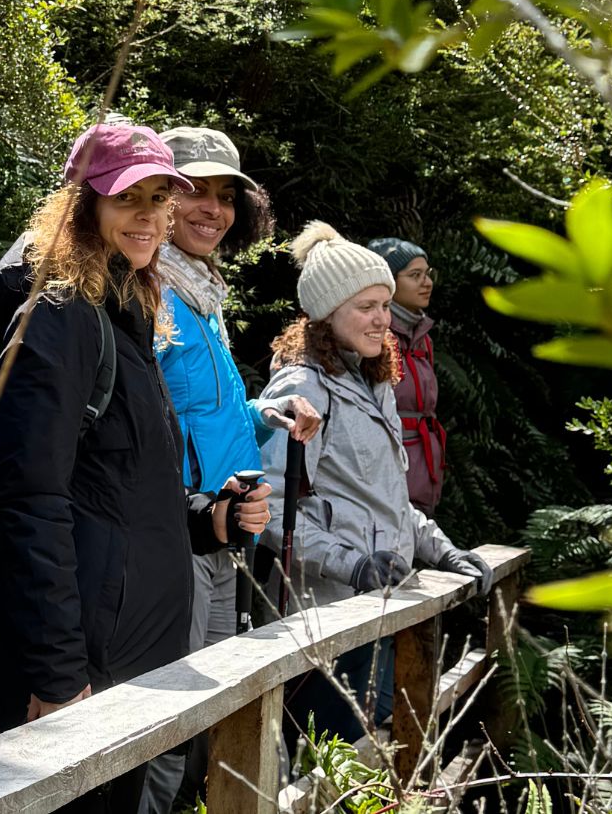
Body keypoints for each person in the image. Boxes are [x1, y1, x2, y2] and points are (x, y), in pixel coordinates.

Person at [0, 121, 272, 813]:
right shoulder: (59, 319)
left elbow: (125, 491)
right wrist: (57, 675)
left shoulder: (127, 318)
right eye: (125, 199)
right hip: (84, 666)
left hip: (133, 658)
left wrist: (211, 520)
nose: (146, 217)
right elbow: (31, 501)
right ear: (83, 208)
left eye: (157, 200)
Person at [138, 127, 320, 814]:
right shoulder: (149, 289)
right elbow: (145, 420)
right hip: (174, 529)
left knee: (207, 710)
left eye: (225, 197)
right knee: (161, 721)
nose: (212, 211)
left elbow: (206, 412)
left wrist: (269, 412)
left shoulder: (203, 296)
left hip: (224, 530)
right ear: (161, 198)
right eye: (194, 193)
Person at [256, 222, 491, 744]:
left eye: (385, 305)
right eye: (366, 306)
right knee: (319, 764)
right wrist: (353, 564)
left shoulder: (374, 381)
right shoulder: (302, 386)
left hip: (377, 604)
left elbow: (386, 500)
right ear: (326, 313)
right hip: (322, 617)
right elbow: (269, 506)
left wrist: (443, 550)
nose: (382, 319)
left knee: (365, 757)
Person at [366, 237, 448, 516]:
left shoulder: (422, 337)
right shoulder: (374, 336)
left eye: (428, 274)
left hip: (425, 466)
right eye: (415, 275)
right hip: (389, 469)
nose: (427, 283)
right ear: (389, 281)